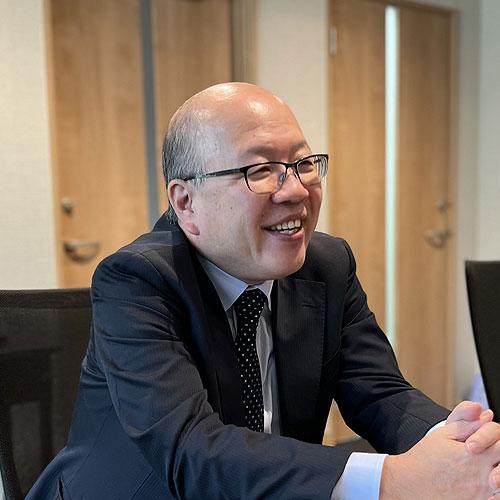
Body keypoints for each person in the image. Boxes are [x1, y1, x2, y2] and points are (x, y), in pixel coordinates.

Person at [28, 83, 500, 499]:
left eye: (303, 164)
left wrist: (463, 446)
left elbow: (380, 394)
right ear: (186, 202)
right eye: (259, 171)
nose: (295, 190)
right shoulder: (136, 282)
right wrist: (391, 481)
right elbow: (192, 451)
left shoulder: (328, 266)